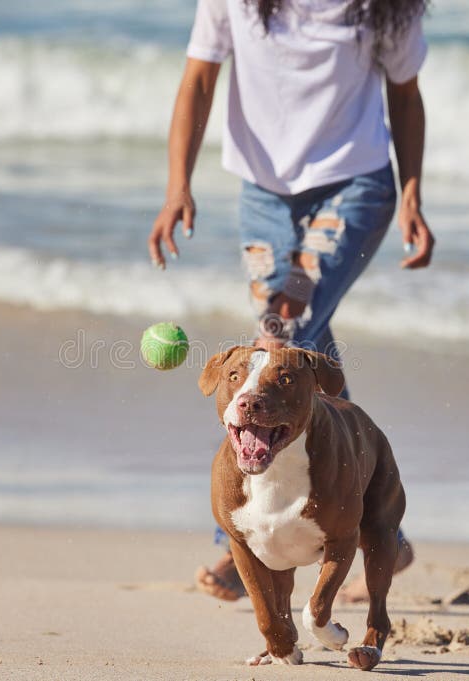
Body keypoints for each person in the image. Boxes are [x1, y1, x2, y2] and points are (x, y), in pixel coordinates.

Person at [148, 0, 434, 603]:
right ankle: (379, 525)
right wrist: (178, 186)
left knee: (282, 323)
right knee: (310, 360)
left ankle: (241, 538)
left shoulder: (385, 8)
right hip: (263, 195)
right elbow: (199, 76)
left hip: (355, 187)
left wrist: (410, 193)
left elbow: (404, 97)